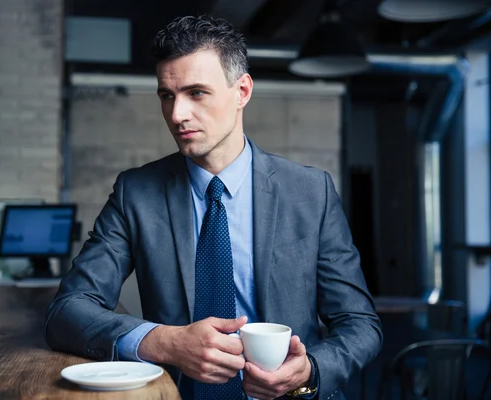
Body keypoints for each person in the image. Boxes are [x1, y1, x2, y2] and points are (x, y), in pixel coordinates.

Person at [45, 14, 382, 400]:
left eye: (197, 93)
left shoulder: (310, 192)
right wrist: (163, 342)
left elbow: (359, 324)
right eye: (167, 96)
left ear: (242, 92)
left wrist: (309, 371)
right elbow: (67, 311)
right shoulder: (135, 193)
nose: (177, 115)